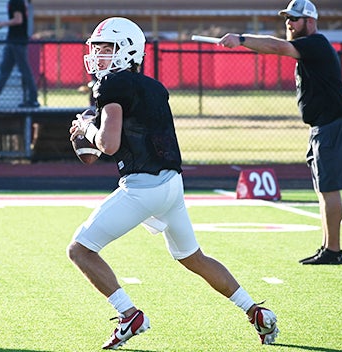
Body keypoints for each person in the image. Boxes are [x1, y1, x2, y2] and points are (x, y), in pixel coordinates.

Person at [67, 17, 279, 350]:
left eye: (107, 49)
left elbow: (106, 145)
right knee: (193, 257)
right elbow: (96, 153)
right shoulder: (153, 86)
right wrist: (89, 136)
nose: (99, 56)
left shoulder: (111, 86)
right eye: (97, 49)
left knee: (79, 249)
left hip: (144, 188)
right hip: (172, 185)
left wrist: (85, 129)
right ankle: (256, 312)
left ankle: (128, 315)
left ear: (128, 50)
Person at [218, 0, 342, 265]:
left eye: (295, 18)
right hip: (321, 126)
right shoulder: (307, 49)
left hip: (332, 126)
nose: (289, 23)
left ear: (310, 21)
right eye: (287, 18)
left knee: (329, 190)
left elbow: (276, 47)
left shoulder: (316, 43)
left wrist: (241, 39)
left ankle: (334, 251)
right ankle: (328, 247)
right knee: (322, 191)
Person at [0, 0, 40, 108]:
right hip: (13, 40)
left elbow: (18, 20)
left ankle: (33, 99)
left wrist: (2, 24)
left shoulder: (16, 1)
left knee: (25, 70)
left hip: (17, 41)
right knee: (5, 70)